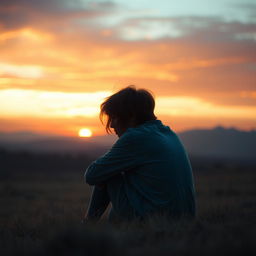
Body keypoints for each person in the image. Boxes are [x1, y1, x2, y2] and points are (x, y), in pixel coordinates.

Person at [83, 86, 196, 223]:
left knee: (106, 172)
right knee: (110, 170)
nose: (112, 125)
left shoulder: (135, 137)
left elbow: (92, 175)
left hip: (154, 220)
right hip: (185, 219)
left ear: (131, 116)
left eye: (114, 118)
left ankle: (89, 222)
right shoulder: (169, 133)